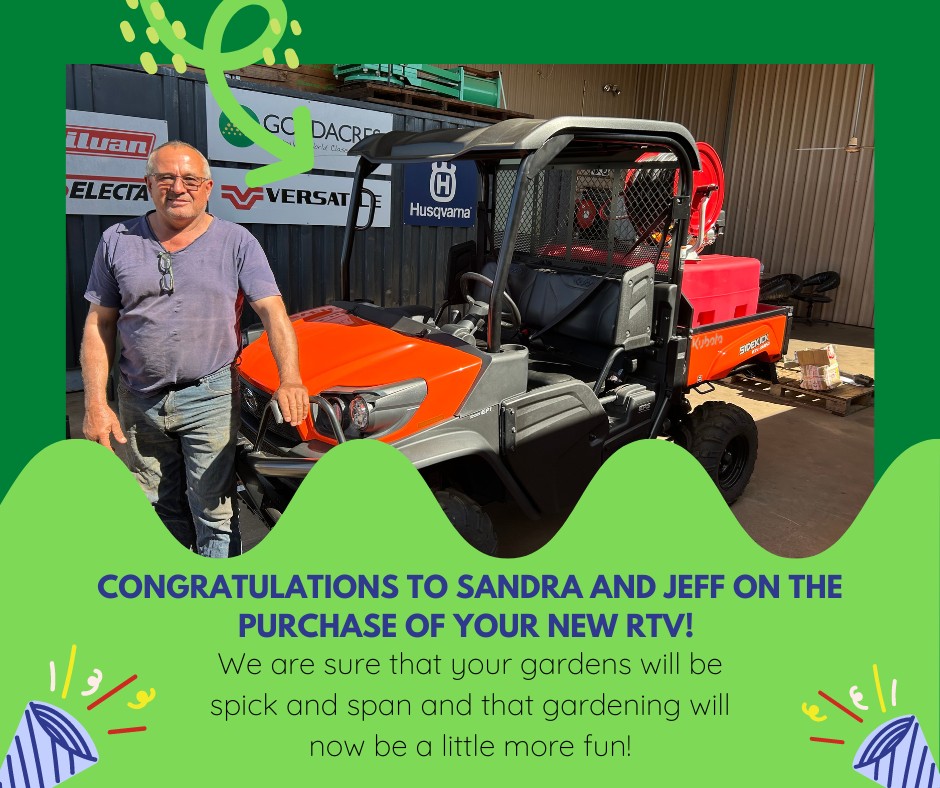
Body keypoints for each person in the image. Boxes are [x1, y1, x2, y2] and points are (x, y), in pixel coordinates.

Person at [81, 141, 309, 558]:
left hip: (210, 396)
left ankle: (215, 603)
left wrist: (290, 379)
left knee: (214, 511)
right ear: (148, 184)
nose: (177, 187)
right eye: (165, 177)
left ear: (208, 188)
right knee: (156, 505)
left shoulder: (236, 242)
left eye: (190, 179)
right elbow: (101, 323)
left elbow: (274, 313)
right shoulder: (117, 240)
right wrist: (96, 402)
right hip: (138, 398)